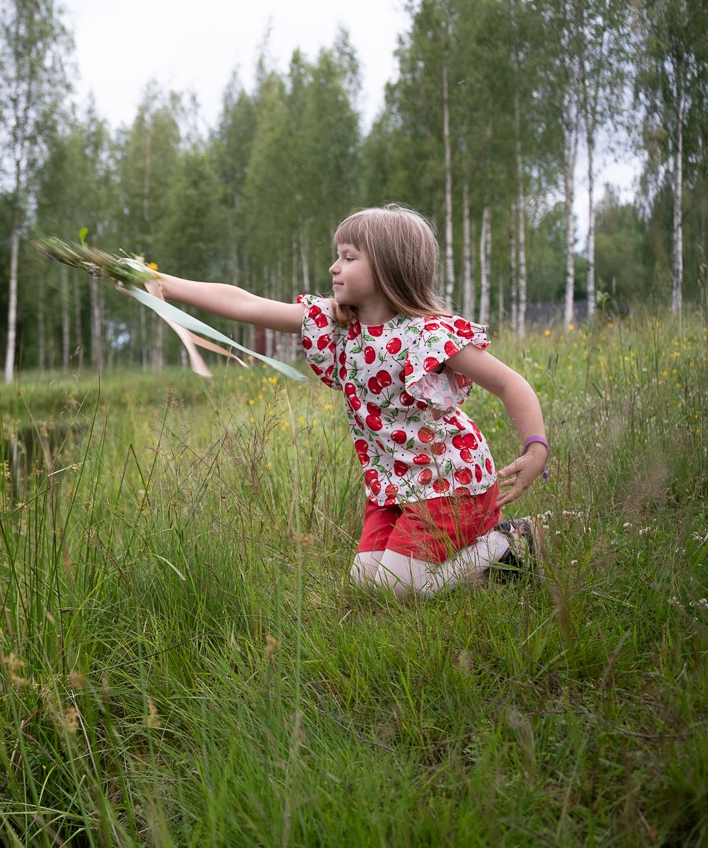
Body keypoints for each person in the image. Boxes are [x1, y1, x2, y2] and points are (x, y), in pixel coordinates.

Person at [139, 204, 548, 598]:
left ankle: (508, 542)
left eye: (348, 257)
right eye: (337, 256)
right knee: (367, 584)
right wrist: (168, 285)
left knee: (399, 587)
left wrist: (535, 448)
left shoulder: (429, 335)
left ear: (390, 266)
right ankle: (484, 567)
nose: (334, 267)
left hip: (450, 481)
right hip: (394, 485)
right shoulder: (337, 325)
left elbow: (511, 385)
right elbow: (246, 303)